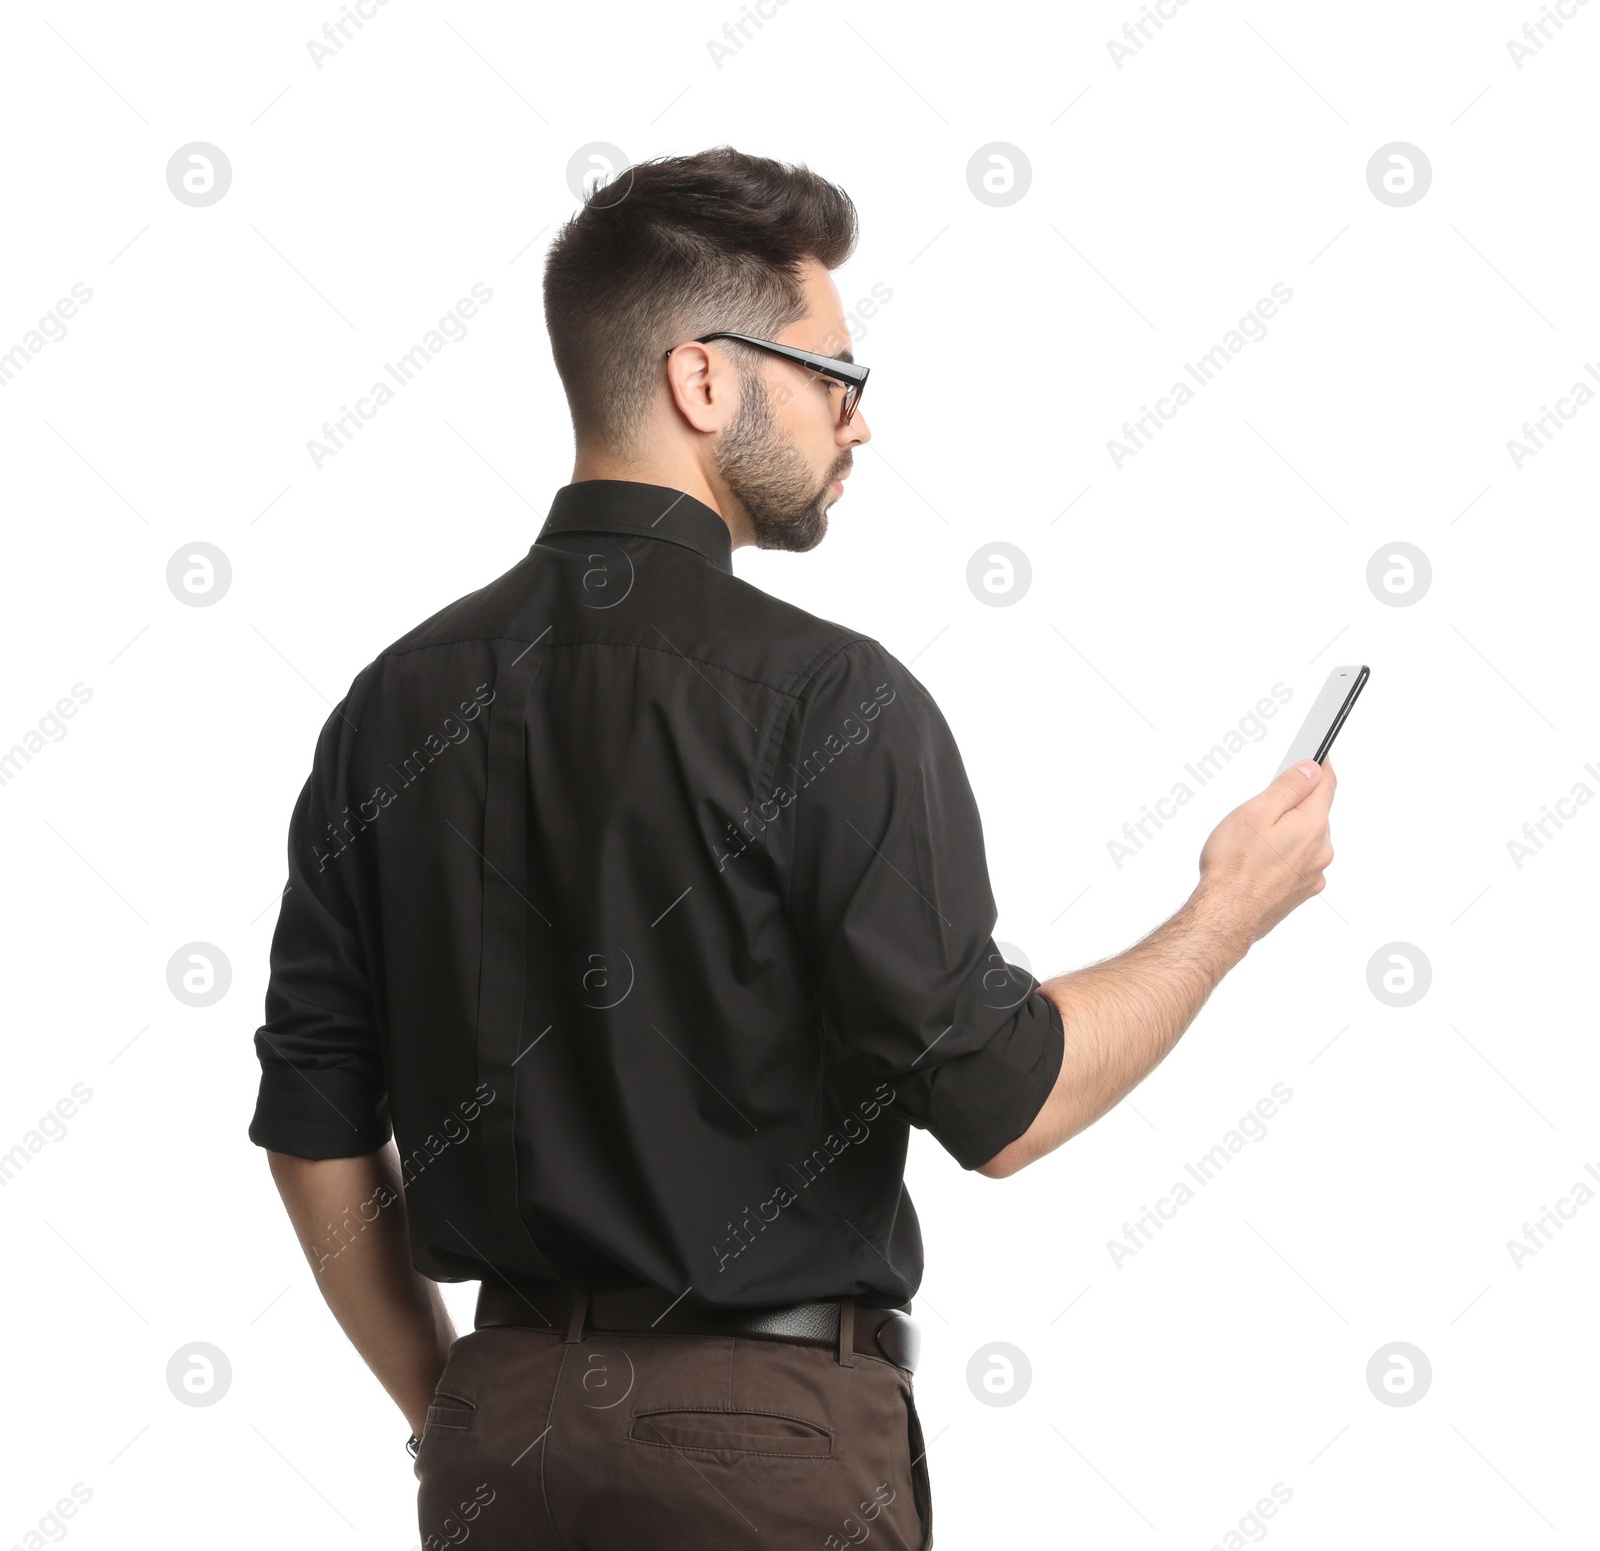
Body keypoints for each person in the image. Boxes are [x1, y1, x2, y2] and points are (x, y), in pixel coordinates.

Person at [248, 146, 1337, 1551]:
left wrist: (447, 1400)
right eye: (835, 373)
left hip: (499, 1439)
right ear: (705, 381)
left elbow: (315, 1123)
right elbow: (1005, 1108)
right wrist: (1227, 912)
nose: (857, 420)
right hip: (763, 1450)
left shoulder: (389, 705)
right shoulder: (832, 702)